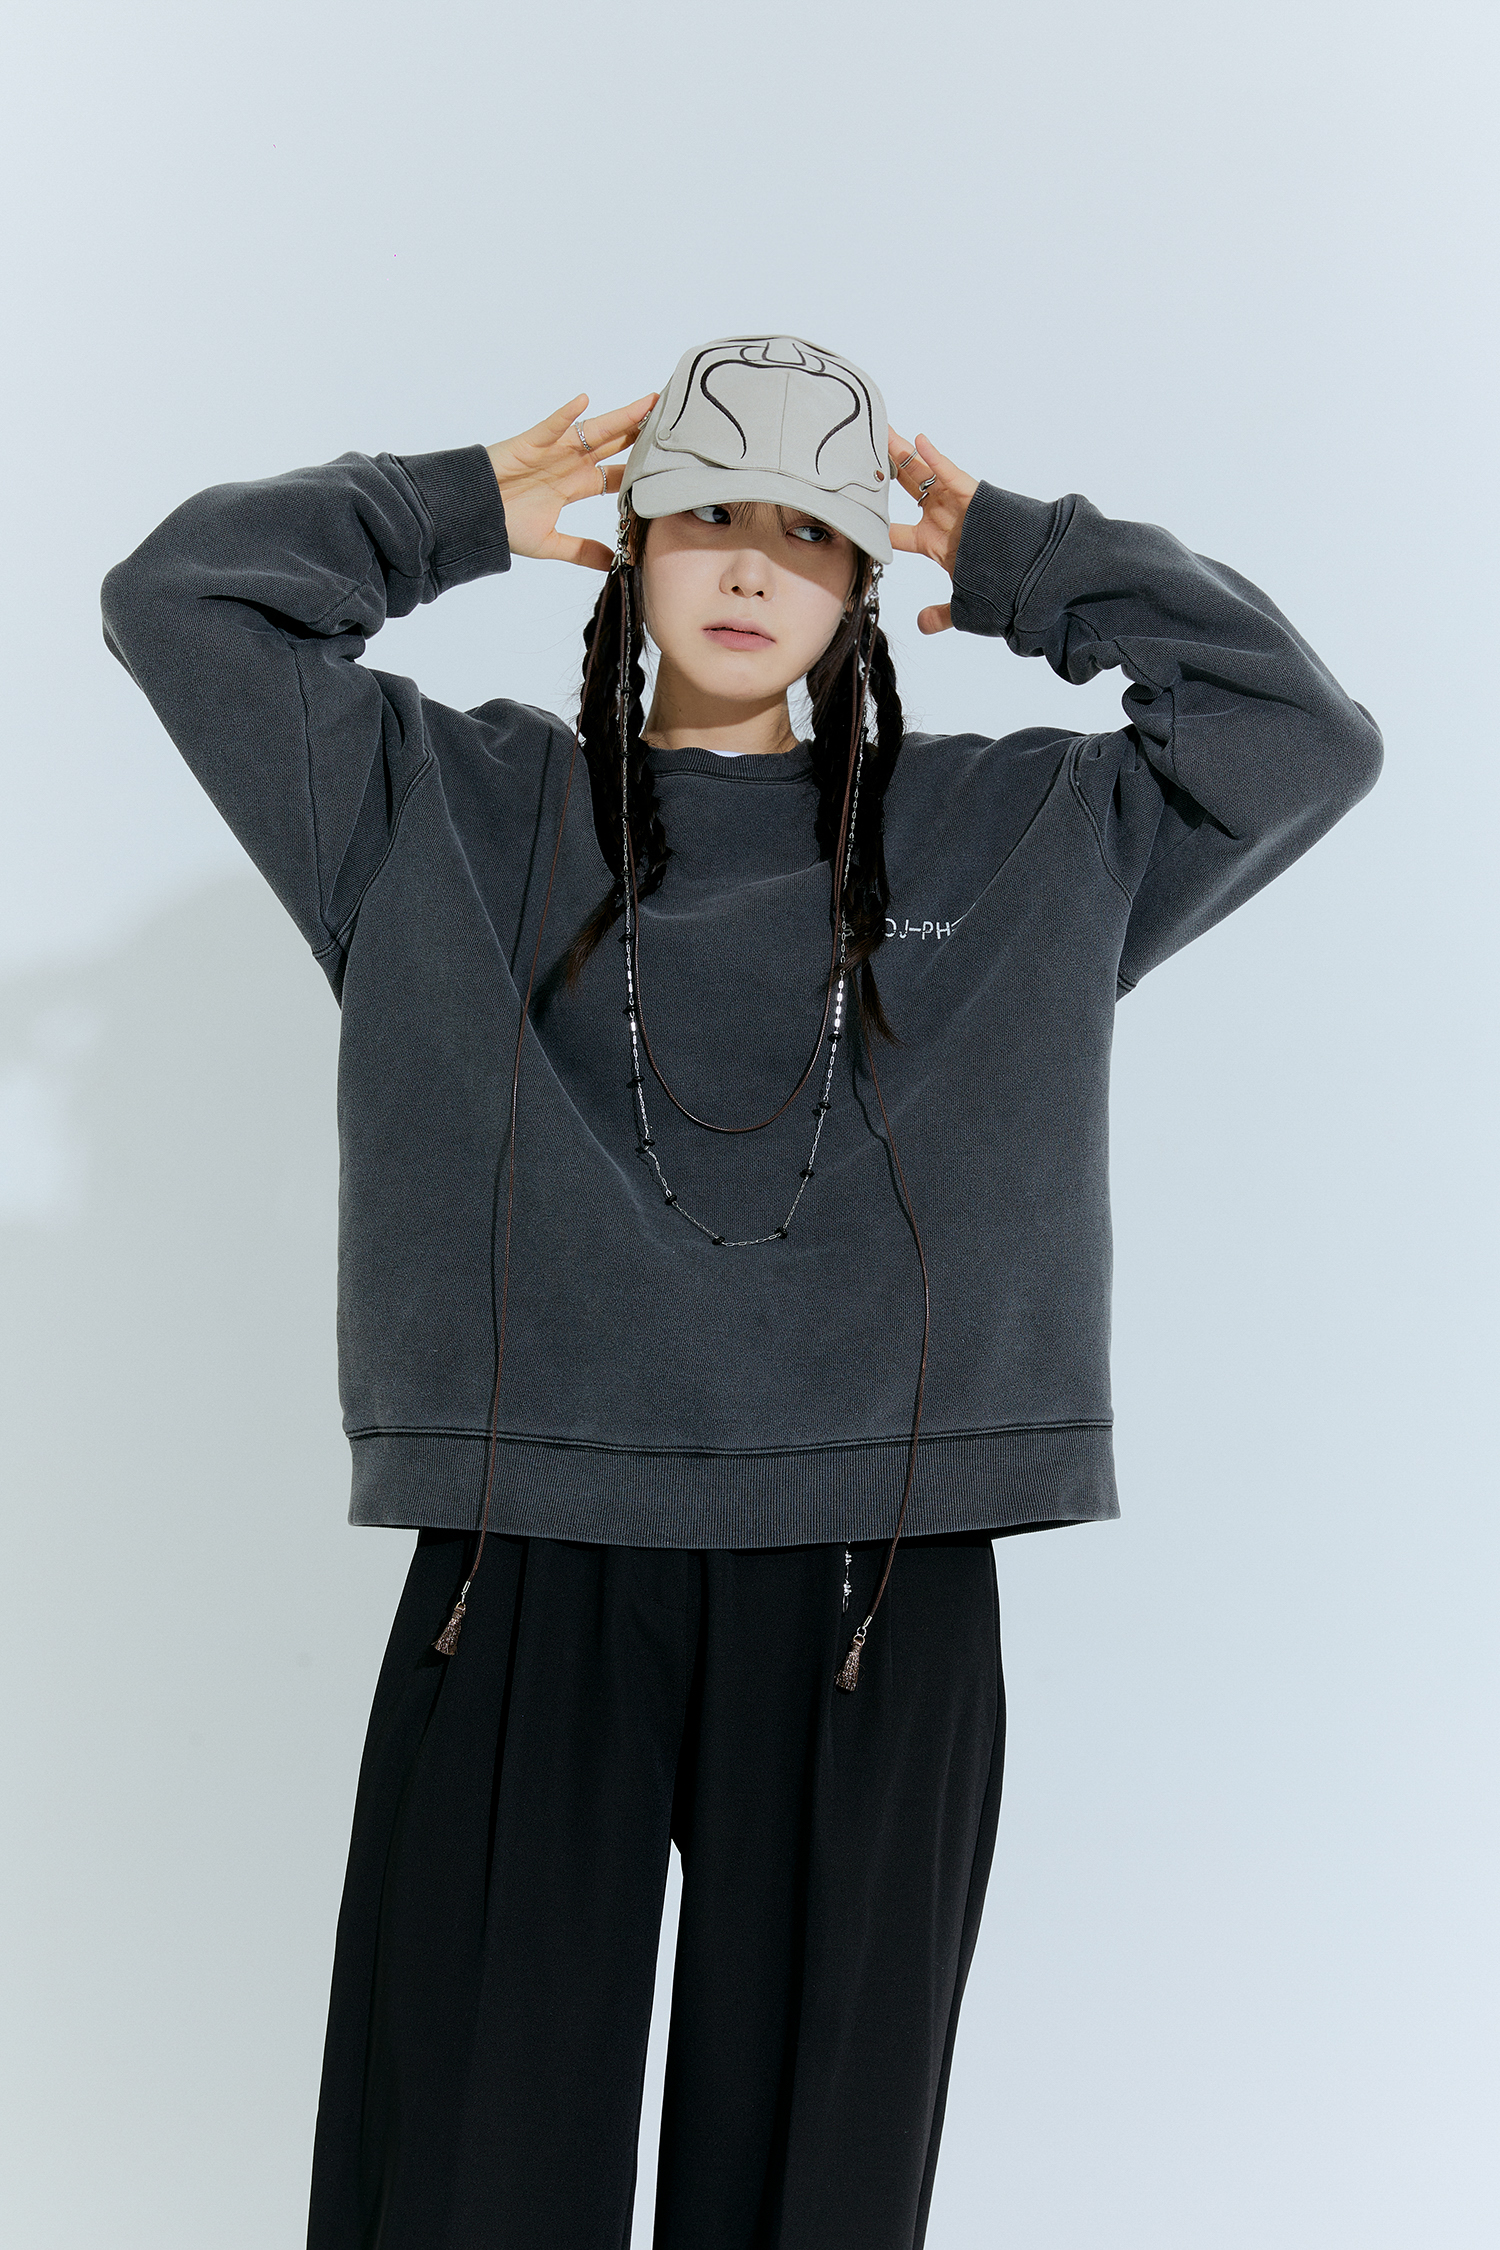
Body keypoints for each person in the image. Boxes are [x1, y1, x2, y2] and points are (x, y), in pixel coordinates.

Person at [99, 333, 1382, 2250]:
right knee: (454, 2168)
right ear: (628, 545)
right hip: (526, 1547)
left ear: (866, 577)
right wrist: (452, 511)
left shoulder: (1019, 836)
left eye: (809, 528)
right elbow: (181, 603)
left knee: (816, 2189)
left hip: (878, 1568)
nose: (754, 563)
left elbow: (1302, 732)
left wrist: (1024, 556)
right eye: (708, 512)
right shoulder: (433, 804)